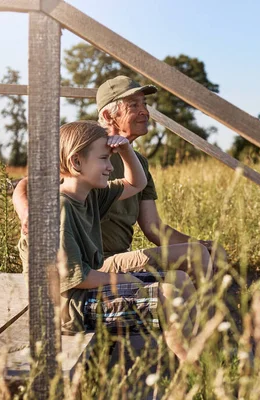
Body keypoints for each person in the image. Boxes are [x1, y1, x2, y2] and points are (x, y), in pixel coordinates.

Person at [13, 76, 225, 284]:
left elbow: (153, 227)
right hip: (90, 264)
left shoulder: (137, 163)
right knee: (195, 259)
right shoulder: (84, 153)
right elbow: (26, 184)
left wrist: (200, 245)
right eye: (134, 105)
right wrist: (28, 214)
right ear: (107, 115)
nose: (145, 111)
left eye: (145, 103)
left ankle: (193, 310)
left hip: (119, 258)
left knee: (207, 255)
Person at [18, 121, 195, 361]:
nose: (110, 168)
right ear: (76, 162)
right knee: (170, 293)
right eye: (104, 159)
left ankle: (192, 355)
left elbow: (136, 184)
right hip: (68, 308)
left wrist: (125, 150)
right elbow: (79, 279)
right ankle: (195, 370)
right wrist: (131, 279)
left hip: (86, 291)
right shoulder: (59, 209)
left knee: (181, 280)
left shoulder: (89, 195)